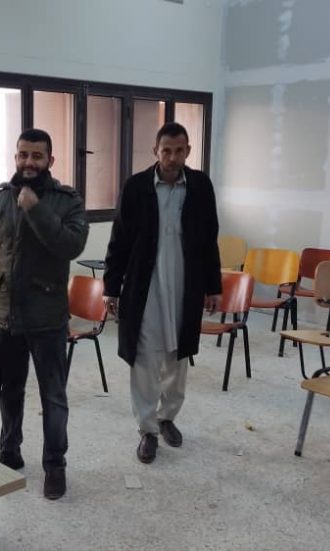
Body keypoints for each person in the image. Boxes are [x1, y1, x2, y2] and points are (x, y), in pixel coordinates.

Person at [0, 128, 89, 500]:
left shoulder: (67, 201)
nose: (29, 162)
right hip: (5, 314)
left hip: (48, 317)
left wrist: (35, 208)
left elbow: (71, 246)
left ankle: (55, 465)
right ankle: (10, 451)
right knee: (10, 390)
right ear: (15, 156)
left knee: (53, 396)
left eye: (37, 156)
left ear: (50, 160)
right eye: (23, 154)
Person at [103, 122, 221, 464]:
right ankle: (147, 429)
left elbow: (210, 238)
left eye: (179, 150)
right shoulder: (136, 187)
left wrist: (213, 286)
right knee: (144, 357)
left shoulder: (200, 186)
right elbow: (119, 240)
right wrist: (111, 287)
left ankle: (167, 417)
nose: (172, 157)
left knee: (178, 356)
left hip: (186, 285)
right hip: (145, 286)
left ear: (188, 151)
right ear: (156, 151)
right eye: (166, 150)